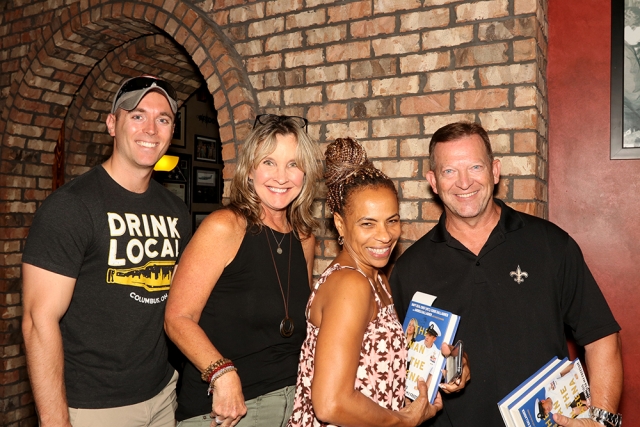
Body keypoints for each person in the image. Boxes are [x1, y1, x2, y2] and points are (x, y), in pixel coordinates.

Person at [390, 122, 623, 427]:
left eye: (475, 167)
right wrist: (439, 375)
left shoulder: (551, 244)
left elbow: (601, 337)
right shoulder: (409, 268)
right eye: (449, 171)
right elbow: (403, 367)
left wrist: (602, 420)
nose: (464, 182)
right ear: (433, 181)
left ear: (495, 171)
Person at [21, 75, 192, 426]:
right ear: (112, 124)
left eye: (163, 119)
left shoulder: (176, 211)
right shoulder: (71, 207)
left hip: (161, 397)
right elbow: (39, 321)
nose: (151, 129)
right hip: (92, 408)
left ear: (172, 131)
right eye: (137, 115)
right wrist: (55, 421)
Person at [164, 114, 322, 427]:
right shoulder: (225, 226)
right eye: (268, 162)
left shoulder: (304, 238)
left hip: (294, 404)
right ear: (250, 170)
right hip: (227, 410)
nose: (281, 177)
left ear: (305, 173)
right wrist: (222, 373)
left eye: (293, 164)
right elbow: (177, 319)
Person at [288, 137, 451, 427]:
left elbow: (373, 373)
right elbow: (330, 404)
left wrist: (434, 370)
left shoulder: (376, 276)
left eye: (392, 220)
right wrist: (403, 422)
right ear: (340, 224)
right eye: (368, 223)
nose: (385, 235)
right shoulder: (350, 284)